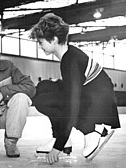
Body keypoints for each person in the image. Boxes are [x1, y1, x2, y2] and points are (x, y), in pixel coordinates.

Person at [29, 13, 120, 164]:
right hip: (93, 97)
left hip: (99, 107)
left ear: (54, 40)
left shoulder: (71, 61)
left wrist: (57, 148)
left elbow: (73, 106)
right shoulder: (69, 55)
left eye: (41, 42)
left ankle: (92, 130)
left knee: (44, 101)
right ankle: (65, 140)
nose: (40, 46)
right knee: (43, 87)